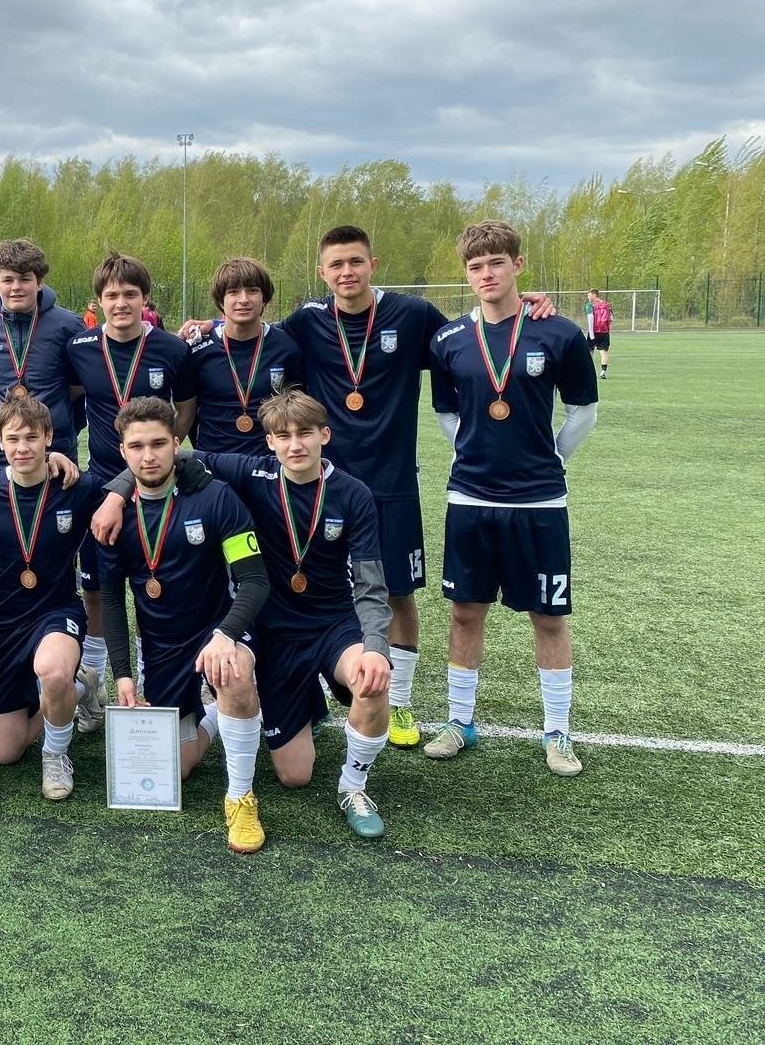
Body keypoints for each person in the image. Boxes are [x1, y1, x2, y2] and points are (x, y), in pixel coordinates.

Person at [182, 227, 554, 750]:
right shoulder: (306, 322)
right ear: (322, 272)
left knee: (396, 592)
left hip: (389, 481)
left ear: (372, 264)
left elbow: (473, 335)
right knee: (279, 583)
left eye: (355, 262)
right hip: (313, 483)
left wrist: (526, 306)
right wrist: (211, 325)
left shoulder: (412, 314)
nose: (346, 272)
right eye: (336, 265)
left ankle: (396, 701)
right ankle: (285, 692)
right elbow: (248, 328)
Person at [98, 389, 395, 838]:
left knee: (372, 682)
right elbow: (166, 455)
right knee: (294, 775)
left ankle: (352, 787)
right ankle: (296, 707)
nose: (295, 445)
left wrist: (375, 647)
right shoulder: (250, 473)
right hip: (272, 631)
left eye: (304, 434)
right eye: (283, 436)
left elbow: (371, 585)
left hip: (332, 625)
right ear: (269, 442)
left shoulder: (353, 495)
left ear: (324, 435)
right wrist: (116, 492)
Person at [424, 221, 598, 776]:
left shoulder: (560, 333)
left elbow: (584, 409)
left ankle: (557, 731)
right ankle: (459, 721)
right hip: (470, 497)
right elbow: (445, 412)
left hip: (539, 501)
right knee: (464, 611)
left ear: (518, 265)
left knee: (548, 616)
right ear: (467, 273)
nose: (486, 274)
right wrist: (473, 450)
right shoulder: (449, 340)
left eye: (496, 262)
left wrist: (552, 457)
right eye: (476, 266)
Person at [93, 398, 272, 852]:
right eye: (137, 446)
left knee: (232, 673)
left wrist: (225, 635)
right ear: (123, 451)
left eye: (158, 444)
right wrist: (122, 675)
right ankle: (219, 718)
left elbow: (254, 581)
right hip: (162, 647)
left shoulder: (215, 497)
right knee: (177, 768)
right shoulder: (113, 516)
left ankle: (240, 798)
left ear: (177, 444)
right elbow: (111, 600)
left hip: (218, 630)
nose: (148, 456)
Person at [65, 253, 197, 727]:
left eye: (130, 294)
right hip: (100, 484)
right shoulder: (79, 348)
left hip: (156, 486)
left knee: (154, 584)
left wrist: (156, 457)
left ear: (145, 300)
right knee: (97, 587)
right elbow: (70, 401)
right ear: (98, 302)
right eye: (111, 295)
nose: (120, 303)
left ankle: (150, 678)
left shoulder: (172, 349)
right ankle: (95, 682)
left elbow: (186, 407)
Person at [0, 394, 108, 800]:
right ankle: (78, 689)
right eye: (13, 439)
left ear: (49, 436)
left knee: (52, 670)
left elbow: (125, 481)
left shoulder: (75, 486)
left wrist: (115, 494)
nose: (22, 448)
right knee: (4, 751)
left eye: (32, 437)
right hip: (6, 625)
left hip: (57, 612)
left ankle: (55, 754)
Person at [0, 238, 85, 467]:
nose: (16, 287)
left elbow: (78, 390)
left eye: (25, 279)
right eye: (8, 280)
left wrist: (64, 431)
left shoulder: (69, 327)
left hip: (54, 453)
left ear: (40, 282)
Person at [184, 257, 305, 454]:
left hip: (267, 461)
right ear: (221, 301)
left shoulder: (287, 348)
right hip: (212, 460)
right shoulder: (198, 350)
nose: (243, 299)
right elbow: (187, 414)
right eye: (233, 292)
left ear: (264, 298)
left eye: (252, 291)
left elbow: (296, 412)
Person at [587, 288, 612, 379]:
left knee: (589, 351)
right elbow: (611, 318)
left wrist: (591, 333)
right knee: (603, 351)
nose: (588, 297)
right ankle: (603, 372)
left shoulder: (590, 305)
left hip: (594, 330)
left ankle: (588, 371)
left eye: (589, 295)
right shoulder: (607, 304)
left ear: (594, 295)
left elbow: (590, 319)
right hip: (604, 331)